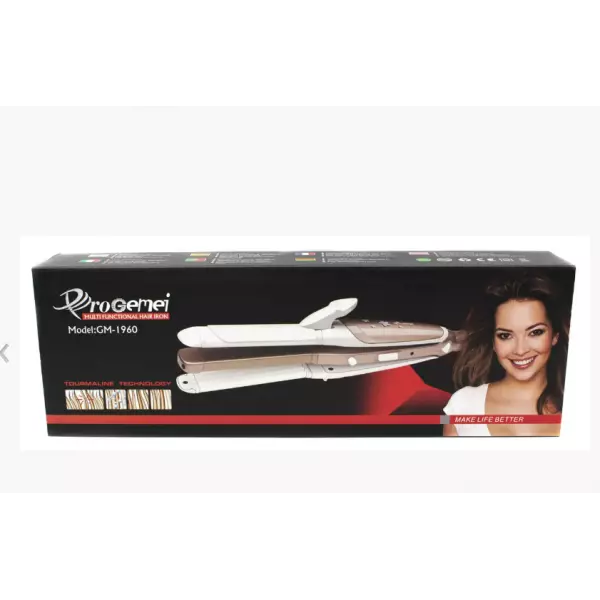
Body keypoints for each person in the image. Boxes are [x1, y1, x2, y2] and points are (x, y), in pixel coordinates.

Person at [443, 273, 570, 437]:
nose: (520, 350)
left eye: (535, 332)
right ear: (493, 342)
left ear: (554, 336)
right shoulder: (463, 406)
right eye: (505, 335)